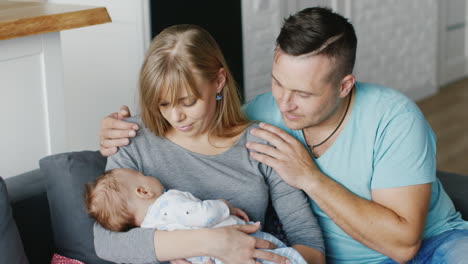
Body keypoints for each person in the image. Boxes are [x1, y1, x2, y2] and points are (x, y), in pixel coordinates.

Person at [99, 7, 468, 264]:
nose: (285, 104)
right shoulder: (259, 118)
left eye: (303, 94)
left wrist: (309, 176)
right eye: (277, 83)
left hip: (430, 246)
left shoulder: (394, 119)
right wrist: (211, 242)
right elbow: (212, 131)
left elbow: (403, 246)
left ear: (344, 86)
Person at [94, 24, 325, 264]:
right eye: (163, 104)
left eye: (188, 102)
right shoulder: (131, 137)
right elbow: (106, 242)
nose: (175, 117)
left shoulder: (259, 144)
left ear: (218, 81)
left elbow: (311, 247)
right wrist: (214, 242)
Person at [84, 168, 308, 264]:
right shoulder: (167, 203)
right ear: (143, 191)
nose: (148, 174)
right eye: (143, 175)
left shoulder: (150, 230)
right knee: (286, 257)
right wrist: (225, 205)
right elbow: (202, 216)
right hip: (245, 247)